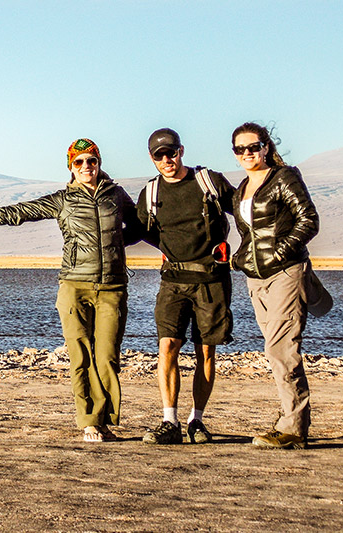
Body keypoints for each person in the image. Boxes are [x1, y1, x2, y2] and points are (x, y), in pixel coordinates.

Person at [0, 139, 141, 442]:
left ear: (99, 163)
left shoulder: (116, 195)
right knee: (80, 355)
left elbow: (140, 226)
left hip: (113, 287)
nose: (86, 167)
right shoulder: (62, 200)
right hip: (74, 285)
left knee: (107, 357)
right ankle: (89, 422)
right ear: (71, 167)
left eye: (92, 161)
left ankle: (103, 419)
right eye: (79, 162)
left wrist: (114, 247)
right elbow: (19, 212)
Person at [136, 128, 235, 445]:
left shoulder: (209, 182)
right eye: (159, 155)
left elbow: (245, 213)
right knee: (167, 347)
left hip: (211, 281)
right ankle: (170, 421)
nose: (167, 160)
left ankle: (197, 420)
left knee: (206, 351)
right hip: (173, 282)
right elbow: (143, 230)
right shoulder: (151, 194)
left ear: (181, 150)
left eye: (172, 152)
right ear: (152, 159)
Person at [230, 122, 319, 449]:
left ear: (266, 147)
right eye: (240, 149)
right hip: (255, 279)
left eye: (254, 147)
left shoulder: (284, 178)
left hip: (285, 272)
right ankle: (290, 420)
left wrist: (279, 252)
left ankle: (293, 427)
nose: (248, 154)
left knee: (280, 348)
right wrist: (238, 259)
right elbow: (249, 235)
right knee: (277, 348)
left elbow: (309, 220)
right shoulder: (241, 188)